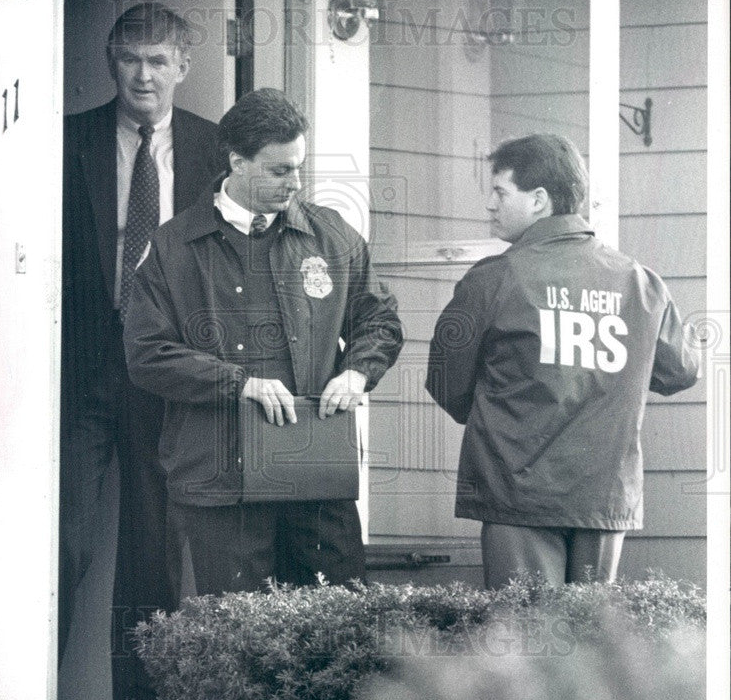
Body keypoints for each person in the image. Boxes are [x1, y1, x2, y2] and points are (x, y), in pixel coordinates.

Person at [123, 88, 403, 598]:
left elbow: (380, 318)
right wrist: (239, 384)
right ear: (237, 162)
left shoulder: (333, 237)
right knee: (230, 641)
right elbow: (147, 355)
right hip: (216, 483)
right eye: (279, 170)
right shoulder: (171, 248)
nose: (295, 183)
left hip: (315, 478)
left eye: (300, 167)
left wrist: (358, 371)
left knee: (337, 633)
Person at [425, 134, 700, 589]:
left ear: (539, 200)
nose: (489, 205)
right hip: (604, 497)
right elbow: (681, 370)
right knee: (587, 645)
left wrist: (504, 424)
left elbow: (445, 381)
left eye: (499, 192)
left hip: (517, 494)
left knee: (530, 641)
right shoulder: (640, 282)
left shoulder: (492, 281)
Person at [60, 2, 220, 700]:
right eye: (130, 58)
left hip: (165, 382)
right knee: (62, 545)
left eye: (159, 60)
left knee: (152, 564)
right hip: (82, 376)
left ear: (182, 67)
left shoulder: (214, 150)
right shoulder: (67, 142)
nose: (144, 74)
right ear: (109, 61)